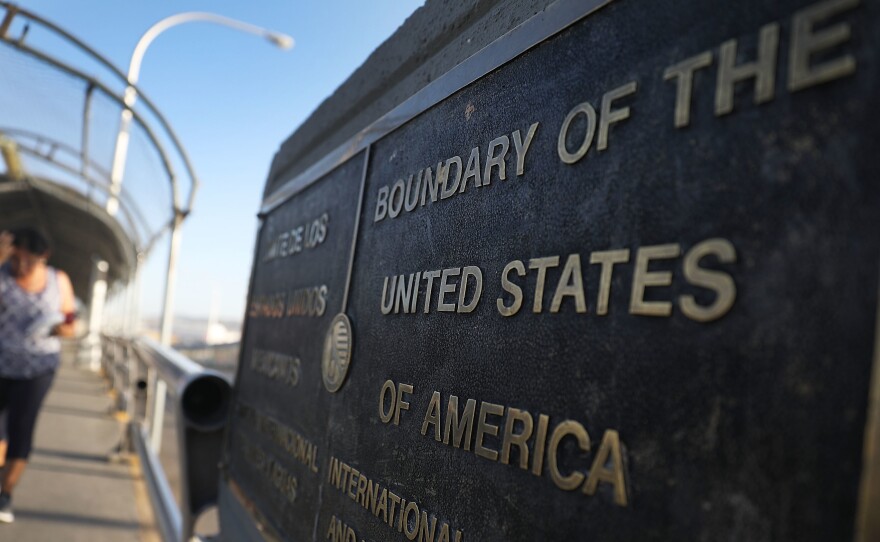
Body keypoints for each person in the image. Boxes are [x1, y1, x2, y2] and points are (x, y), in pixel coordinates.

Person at [0, 228, 76, 523]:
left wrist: (56, 327)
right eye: (16, 260)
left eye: (28, 262)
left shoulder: (59, 281)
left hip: (38, 369)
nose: (21, 267)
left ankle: (5, 494)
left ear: (43, 257)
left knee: (22, 429)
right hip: (1, 364)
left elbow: (70, 323)